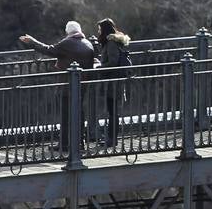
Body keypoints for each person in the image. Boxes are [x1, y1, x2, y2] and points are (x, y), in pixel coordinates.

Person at [18, 21, 96, 153]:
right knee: (79, 113)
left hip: (67, 84)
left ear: (68, 32)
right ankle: (80, 142)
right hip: (83, 84)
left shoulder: (68, 43)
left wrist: (32, 41)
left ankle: (64, 144)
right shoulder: (88, 43)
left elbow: (49, 50)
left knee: (66, 114)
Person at [95, 17, 132, 147]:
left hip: (113, 82)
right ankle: (112, 138)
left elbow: (113, 62)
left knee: (113, 111)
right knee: (113, 111)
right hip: (115, 81)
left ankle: (112, 139)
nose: (99, 32)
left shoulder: (111, 43)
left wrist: (99, 67)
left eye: (100, 30)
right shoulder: (115, 41)